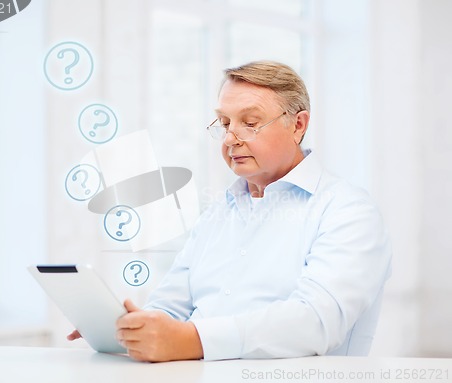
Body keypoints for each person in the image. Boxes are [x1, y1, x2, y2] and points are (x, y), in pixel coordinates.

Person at [68, 61, 392, 362]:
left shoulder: (348, 210)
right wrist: (133, 329)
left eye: (250, 123)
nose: (230, 138)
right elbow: (172, 304)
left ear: (298, 125)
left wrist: (193, 340)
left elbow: (318, 322)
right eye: (224, 123)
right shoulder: (219, 212)